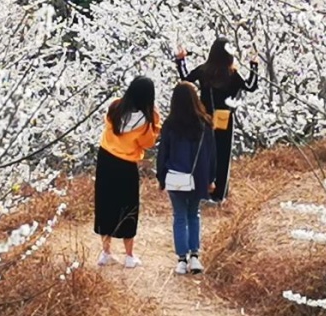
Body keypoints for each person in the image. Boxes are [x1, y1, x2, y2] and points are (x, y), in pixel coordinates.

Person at [175, 36, 258, 202]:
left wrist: (180, 61)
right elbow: (251, 86)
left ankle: (203, 190)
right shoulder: (232, 74)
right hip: (225, 120)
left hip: (205, 118)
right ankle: (219, 194)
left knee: (204, 154)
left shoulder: (204, 70)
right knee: (222, 155)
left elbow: (185, 79)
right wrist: (254, 65)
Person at [94, 75, 160, 268]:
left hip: (105, 159)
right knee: (128, 206)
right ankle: (129, 255)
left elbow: (109, 125)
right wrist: (156, 121)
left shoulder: (115, 107)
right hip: (126, 165)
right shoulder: (146, 120)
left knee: (105, 203)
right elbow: (148, 143)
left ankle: (105, 252)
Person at [156, 81, 217, 275]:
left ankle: (181, 260)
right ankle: (195, 257)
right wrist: (211, 178)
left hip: (175, 177)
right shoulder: (204, 123)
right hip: (198, 177)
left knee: (179, 217)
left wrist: (161, 176)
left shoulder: (170, 125)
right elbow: (212, 154)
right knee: (194, 214)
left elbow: (163, 152)